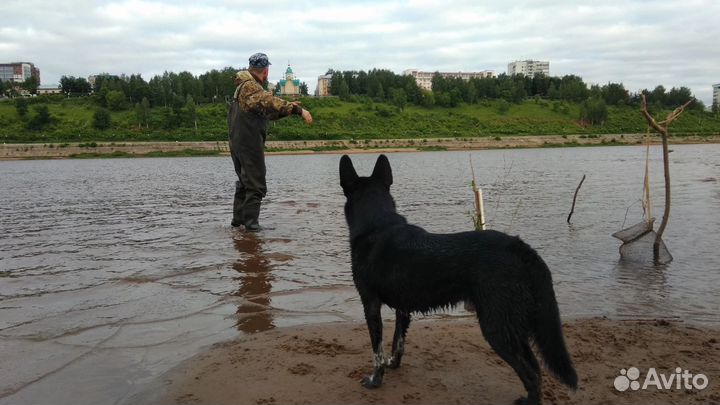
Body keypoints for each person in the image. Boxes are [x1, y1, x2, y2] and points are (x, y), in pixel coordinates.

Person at [228, 52, 312, 231]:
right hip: (248, 144)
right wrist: (298, 110)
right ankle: (251, 227)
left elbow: (267, 112)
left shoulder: (243, 87)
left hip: (237, 143)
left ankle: (238, 225)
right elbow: (268, 101)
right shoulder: (250, 86)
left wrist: (289, 110)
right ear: (265, 71)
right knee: (256, 184)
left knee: (244, 183)